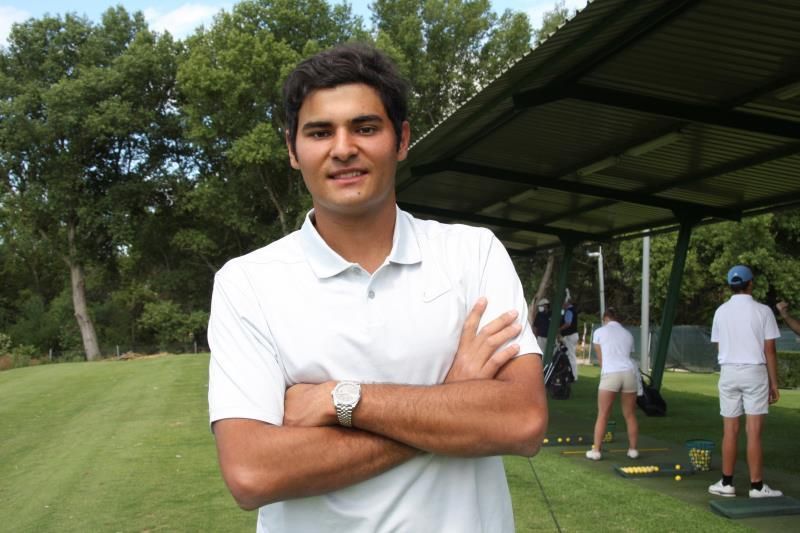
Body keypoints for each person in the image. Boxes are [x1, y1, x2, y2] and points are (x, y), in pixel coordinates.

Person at [207, 43, 548, 533]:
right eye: (320, 132)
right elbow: (253, 472)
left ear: (401, 139)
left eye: (365, 128)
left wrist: (339, 400)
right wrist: (450, 399)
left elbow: (521, 421)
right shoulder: (248, 283)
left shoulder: (472, 253)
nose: (343, 148)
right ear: (291, 149)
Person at [708, 265, 782, 498]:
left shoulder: (720, 311)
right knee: (753, 432)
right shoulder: (763, 311)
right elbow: (769, 350)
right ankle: (757, 487)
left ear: (731, 285)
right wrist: (774, 383)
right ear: (750, 284)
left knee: (730, 430)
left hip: (728, 372)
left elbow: (719, 346)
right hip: (754, 372)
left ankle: (727, 483)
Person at [585, 307, 639, 461]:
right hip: (629, 373)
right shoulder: (627, 334)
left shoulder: (599, 332)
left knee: (603, 414)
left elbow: (602, 360)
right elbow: (627, 355)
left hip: (611, 373)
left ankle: (596, 451)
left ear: (605, 318)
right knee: (630, 414)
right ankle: (633, 450)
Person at [559, 298, 579, 381]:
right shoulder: (572, 310)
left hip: (570, 335)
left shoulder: (569, 311)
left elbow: (568, 324)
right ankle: (570, 374)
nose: (562, 306)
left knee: (571, 356)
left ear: (566, 303)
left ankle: (573, 376)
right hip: (572, 335)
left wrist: (559, 329)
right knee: (570, 355)